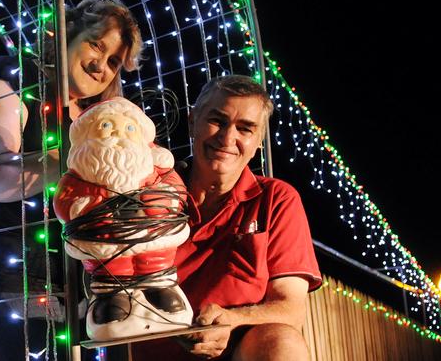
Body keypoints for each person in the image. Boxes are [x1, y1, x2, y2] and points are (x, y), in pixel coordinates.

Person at [0, 0, 143, 358]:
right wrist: (78, 163)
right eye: (97, 44)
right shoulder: (11, 79)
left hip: (73, 286)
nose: (101, 66)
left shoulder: (97, 118)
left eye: (114, 62)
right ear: (68, 33)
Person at [132, 75, 322, 360]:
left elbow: (291, 309)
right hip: (147, 350)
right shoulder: (148, 190)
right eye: (218, 121)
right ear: (192, 120)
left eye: (245, 128)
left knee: (282, 340)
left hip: (235, 351)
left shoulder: (276, 199)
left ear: (259, 141)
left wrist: (230, 320)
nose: (227, 138)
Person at [53, 97, 192, 341]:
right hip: (104, 240)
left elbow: (176, 190)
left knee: (155, 261)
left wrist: (161, 201)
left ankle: (160, 288)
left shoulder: (156, 166)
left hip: (153, 234)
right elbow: (64, 201)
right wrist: (85, 208)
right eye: (107, 126)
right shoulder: (79, 173)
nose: (118, 135)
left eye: (129, 128)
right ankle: (112, 296)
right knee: (110, 269)